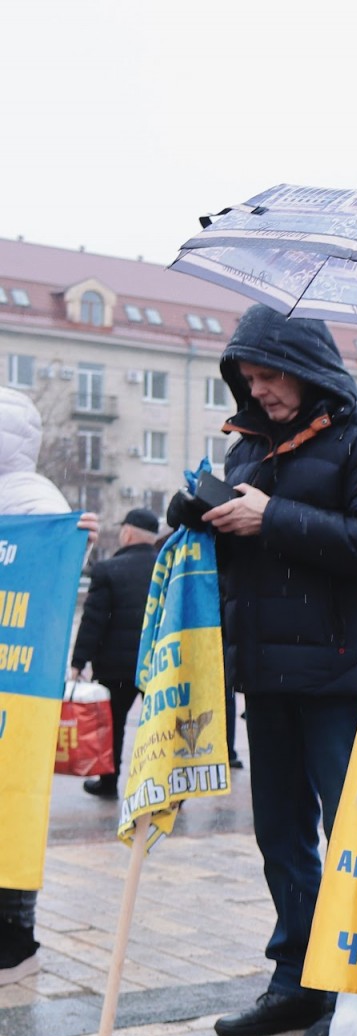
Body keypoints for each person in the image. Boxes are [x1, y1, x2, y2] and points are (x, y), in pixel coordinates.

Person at [173, 306, 357, 1036]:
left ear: (308, 367)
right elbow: (254, 542)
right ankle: (296, 978)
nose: (261, 392)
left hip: (347, 677)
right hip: (267, 674)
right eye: (248, 379)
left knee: (349, 836)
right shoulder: (250, 446)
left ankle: (354, 985)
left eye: (270, 376)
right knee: (278, 832)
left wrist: (272, 516)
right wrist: (206, 514)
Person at [0, 388, 98, 983]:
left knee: (15, 805)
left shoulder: (36, 502)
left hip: (19, 686)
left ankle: (16, 939)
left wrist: (72, 539)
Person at [70, 507, 161, 797]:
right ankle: (164, 789)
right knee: (160, 725)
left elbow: (93, 620)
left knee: (114, 723)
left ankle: (109, 782)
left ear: (128, 532)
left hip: (115, 665)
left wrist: (78, 662)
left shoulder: (108, 570)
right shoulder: (167, 568)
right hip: (159, 664)